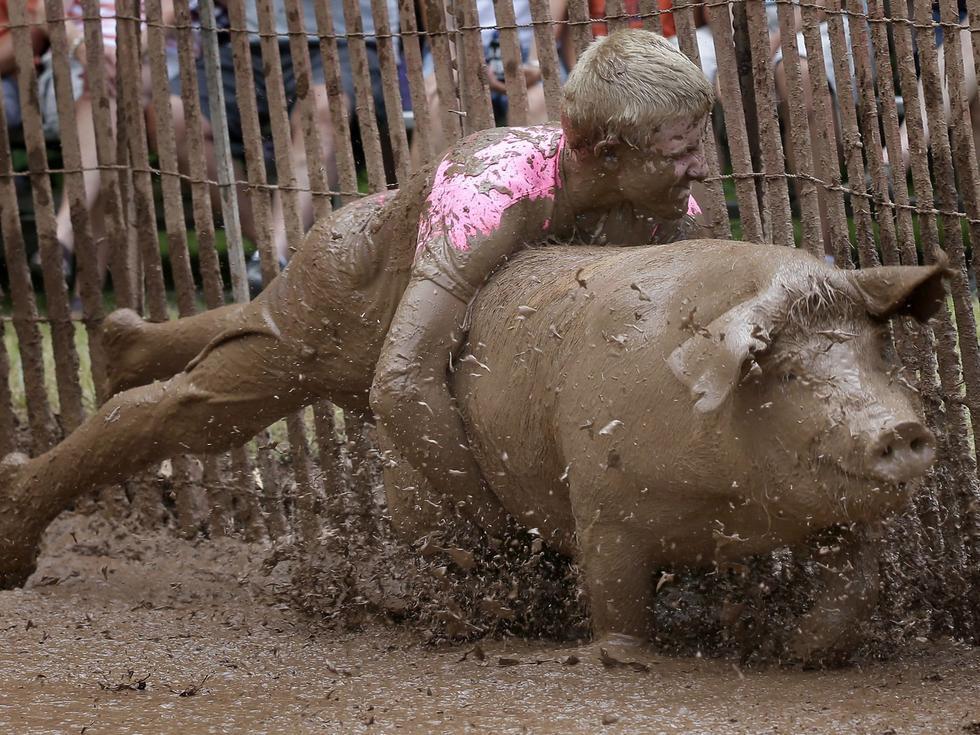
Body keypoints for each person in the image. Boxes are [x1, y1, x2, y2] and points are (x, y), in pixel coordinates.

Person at [0, 29, 712, 586]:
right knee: (201, 411)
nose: (698, 169)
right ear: (610, 153)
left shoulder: (664, 210)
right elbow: (400, 383)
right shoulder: (492, 195)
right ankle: (26, 495)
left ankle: (140, 346)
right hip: (353, 302)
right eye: (679, 152)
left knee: (255, 327)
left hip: (438, 316)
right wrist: (509, 526)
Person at [167, 0, 399, 295]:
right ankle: (273, 257)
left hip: (347, 40)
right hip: (250, 41)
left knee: (322, 108)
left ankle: (270, 265)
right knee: (174, 115)